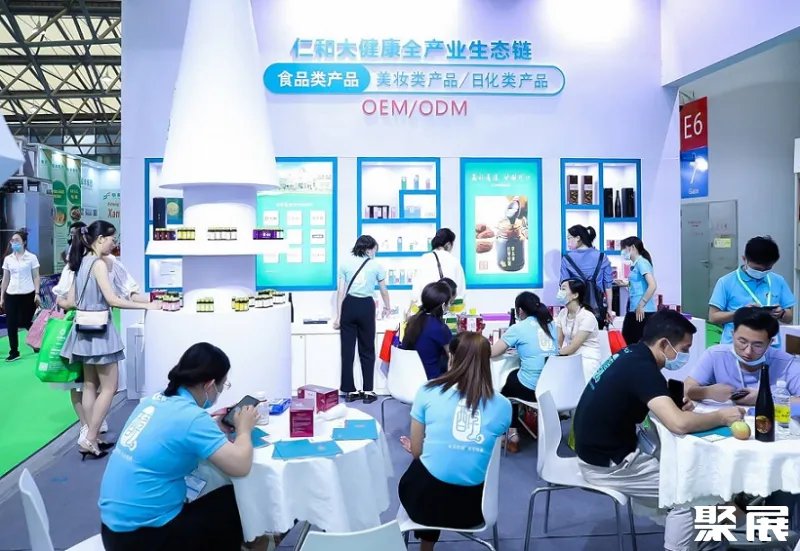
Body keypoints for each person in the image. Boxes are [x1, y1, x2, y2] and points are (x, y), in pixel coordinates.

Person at [573, 309, 745, 551]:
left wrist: (673, 405)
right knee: (689, 492)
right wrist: (721, 417)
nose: (685, 355)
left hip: (598, 451)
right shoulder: (642, 368)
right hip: (608, 464)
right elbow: (679, 423)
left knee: (696, 480)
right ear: (665, 344)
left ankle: (705, 535)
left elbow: (654, 405)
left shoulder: (631, 354)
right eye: (684, 349)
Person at [99, 342, 259, 551]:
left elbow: (174, 433)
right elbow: (240, 465)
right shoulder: (192, 418)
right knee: (233, 498)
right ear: (210, 385)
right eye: (222, 385)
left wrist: (213, 425)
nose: (220, 391)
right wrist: (244, 429)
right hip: (145, 538)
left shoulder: (154, 401)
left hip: (113, 530)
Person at [398, 332, 511, 551]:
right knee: (442, 474)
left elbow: (418, 452)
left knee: (424, 474)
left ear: (451, 358)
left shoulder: (427, 391)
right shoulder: (503, 406)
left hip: (424, 507)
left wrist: (421, 449)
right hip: (474, 508)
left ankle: (426, 545)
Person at [60, 221, 160, 458]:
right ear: (101, 239)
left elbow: (71, 300)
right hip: (101, 332)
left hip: (83, 331)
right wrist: (146, 305)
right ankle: (91, 438)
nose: (114, 244)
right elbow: (112, 299)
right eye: (112, 239)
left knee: (89, 385)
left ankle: (89, 436)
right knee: (109, 387)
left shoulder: (80, 262)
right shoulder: (98, 264)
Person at [686, 307, 800, 404]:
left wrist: (764, 398)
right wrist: (706, 392)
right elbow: (686, 388)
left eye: (757, 345)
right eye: (742, 342)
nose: (748, 351)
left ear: (770, 342)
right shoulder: (715, 355)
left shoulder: (787, 363)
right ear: (732, 334)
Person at [490, 291, 557, 451]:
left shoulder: (518, 328)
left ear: (520, 311)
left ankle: (512, 435)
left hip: (531, 389)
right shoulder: (551, 325)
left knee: (505, 385)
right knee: (516, 377)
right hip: (552, 386)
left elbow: (493, 352)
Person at [334, 235, 390, 404]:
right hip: (366, 306)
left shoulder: (345, 264)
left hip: (349, 305)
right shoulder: (376, 266)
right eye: (374, 250)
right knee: (367, 350)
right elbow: (383, 291)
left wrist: (339, 316)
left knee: (347, 351)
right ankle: (368, 390)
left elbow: (340, 292)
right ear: (368, 249)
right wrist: (387, 307)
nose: (374, 253)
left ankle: (349, 390)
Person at [709, 235, 794, 345]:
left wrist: (782, 313)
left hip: (771, 345)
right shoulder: (726, 282)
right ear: (744, 259)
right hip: (735, 346)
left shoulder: (778, 280)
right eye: (757, 268)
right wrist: (741, 313)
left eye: (767, 268)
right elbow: (713, 317)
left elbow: (789, 318)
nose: (762, 271)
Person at [560, 224, 614, 328]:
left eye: (569, 238)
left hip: (575, 309)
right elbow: (608, 286)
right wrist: (609, 309)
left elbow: (564, 287)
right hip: (597, 309)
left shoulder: (567, 259)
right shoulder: (602, 257)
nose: (568, 242)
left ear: (578, 238)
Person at [1, 229, 41, 362]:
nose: (14, 242)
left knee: (25, 322)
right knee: (11, 323)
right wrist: (1, 297)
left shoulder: (32, 257)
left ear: (24, 242)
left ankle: (36, 342)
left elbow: (36, 276)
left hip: (28, 294)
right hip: (11, 294)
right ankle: (14, 351)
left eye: (17, 240)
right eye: (12, 240)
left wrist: (37, 293)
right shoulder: (8, 259)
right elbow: (5, 279)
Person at [402, 281, 453, 380]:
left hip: (409, 379)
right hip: (431, 380)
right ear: (443, 306)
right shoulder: (440, 328)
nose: (450, 306)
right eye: (449, 303)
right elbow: (452, 359)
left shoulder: (413, 321)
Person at [555, 278, 601, 384]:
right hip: (570, 357)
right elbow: (558, 342)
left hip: (587, 359)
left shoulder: (587, 316)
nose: (560, 292)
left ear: (575, 295)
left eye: (563, 289)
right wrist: (553, 352)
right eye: (560, 289)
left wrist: (554, 354)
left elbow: (573, 347)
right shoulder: (562, 313)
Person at [409, 228, 466, 313]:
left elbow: (416, 291)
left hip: (426, 310)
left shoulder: (424, 259)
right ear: (448, 244)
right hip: (447, 311)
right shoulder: (454, 261)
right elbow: (460, 292)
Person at [616, 236, 658, 345]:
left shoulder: (642, 263)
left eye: (624, 248)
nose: (622, 252)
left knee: (634, 344)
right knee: (629, 342)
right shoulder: (635, 265)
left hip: (643, 311)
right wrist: (625, 283)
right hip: (635, 309)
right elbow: (639, 283)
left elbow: (652, 285)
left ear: (632, 248)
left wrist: (641, 305)